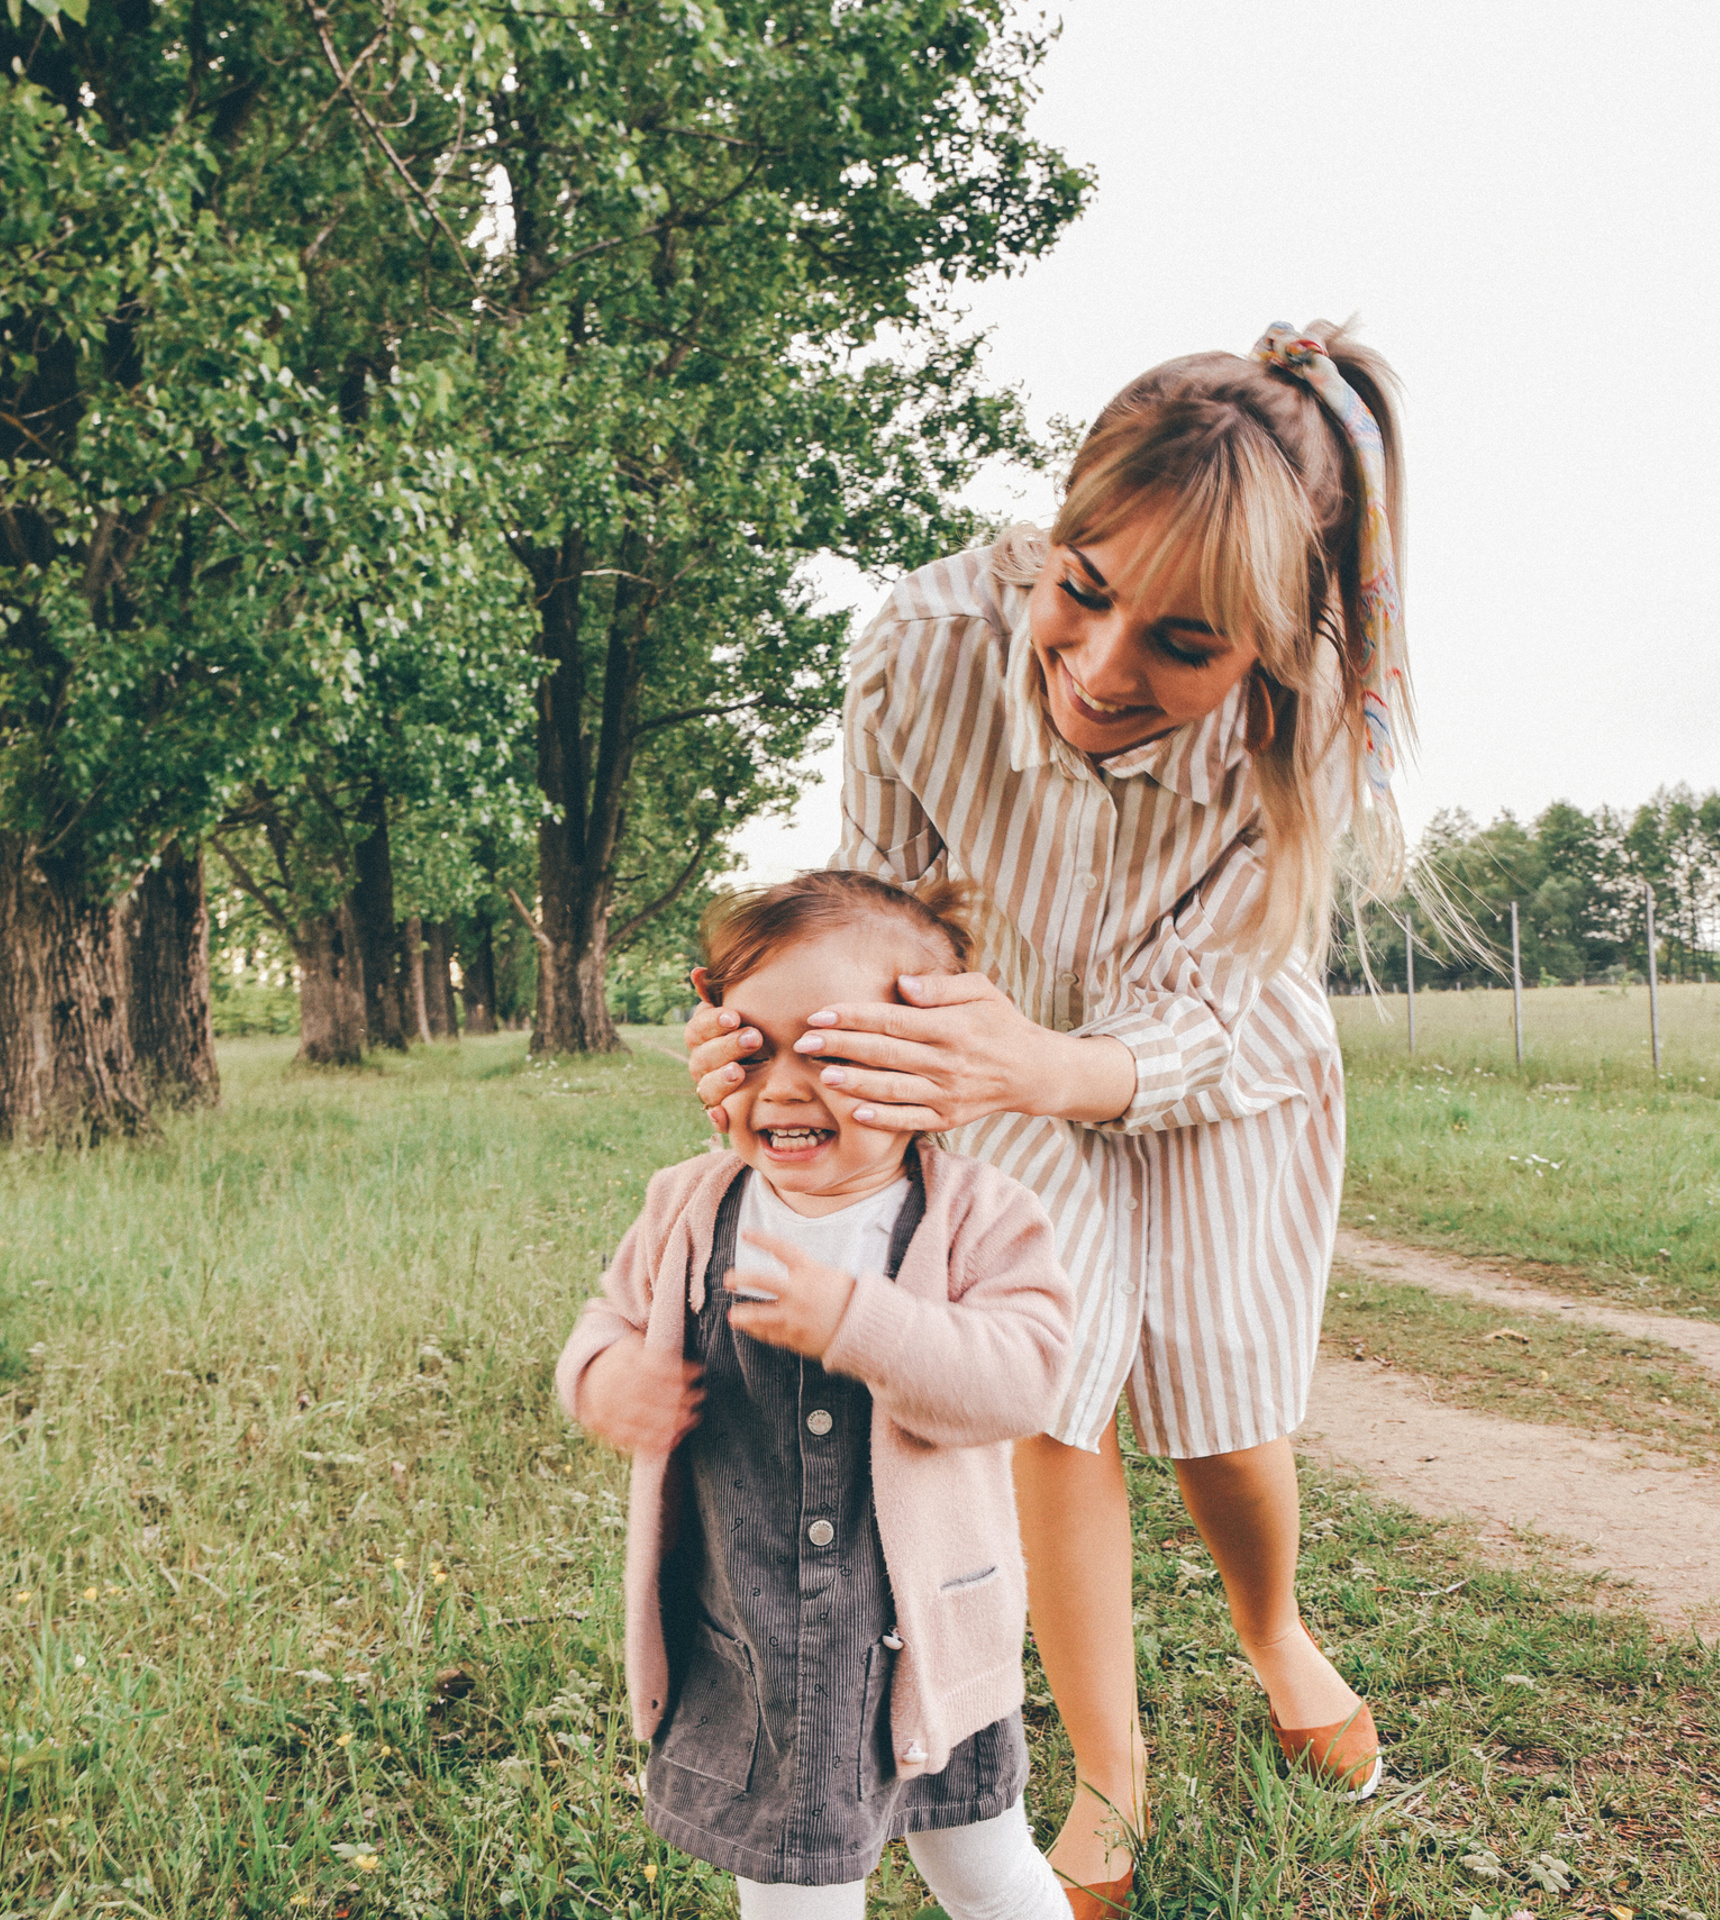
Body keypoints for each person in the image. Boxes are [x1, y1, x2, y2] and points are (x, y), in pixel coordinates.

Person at [687, 324, 1413, 1914]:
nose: (1100, 669)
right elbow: (875, 908)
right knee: (1051, 1390)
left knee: (1219, 1399)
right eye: (1082, 588)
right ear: (1052, 535)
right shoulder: (921, 645)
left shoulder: (1306, 735)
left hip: (1203, 1063)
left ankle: (1272, 1622)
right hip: (989, 1036)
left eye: (1184, 644)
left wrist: (1039, 1061)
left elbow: (1211, 1017)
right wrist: (785, 1041)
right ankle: (1108, 1771)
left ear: (1271, 655)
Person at [559, 871, 1078, 1920]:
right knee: (796, 1895)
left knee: (984, 1868)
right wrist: (607, 1379)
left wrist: (859, 1323)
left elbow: (1024, 1378)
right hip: (757, 1646)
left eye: (835, 1053)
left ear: (932, 1065)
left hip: (929, 1645)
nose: (785, 1089)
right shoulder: (690, 1204)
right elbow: (605, 1322)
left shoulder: (979, 1215)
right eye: (752, 1049)